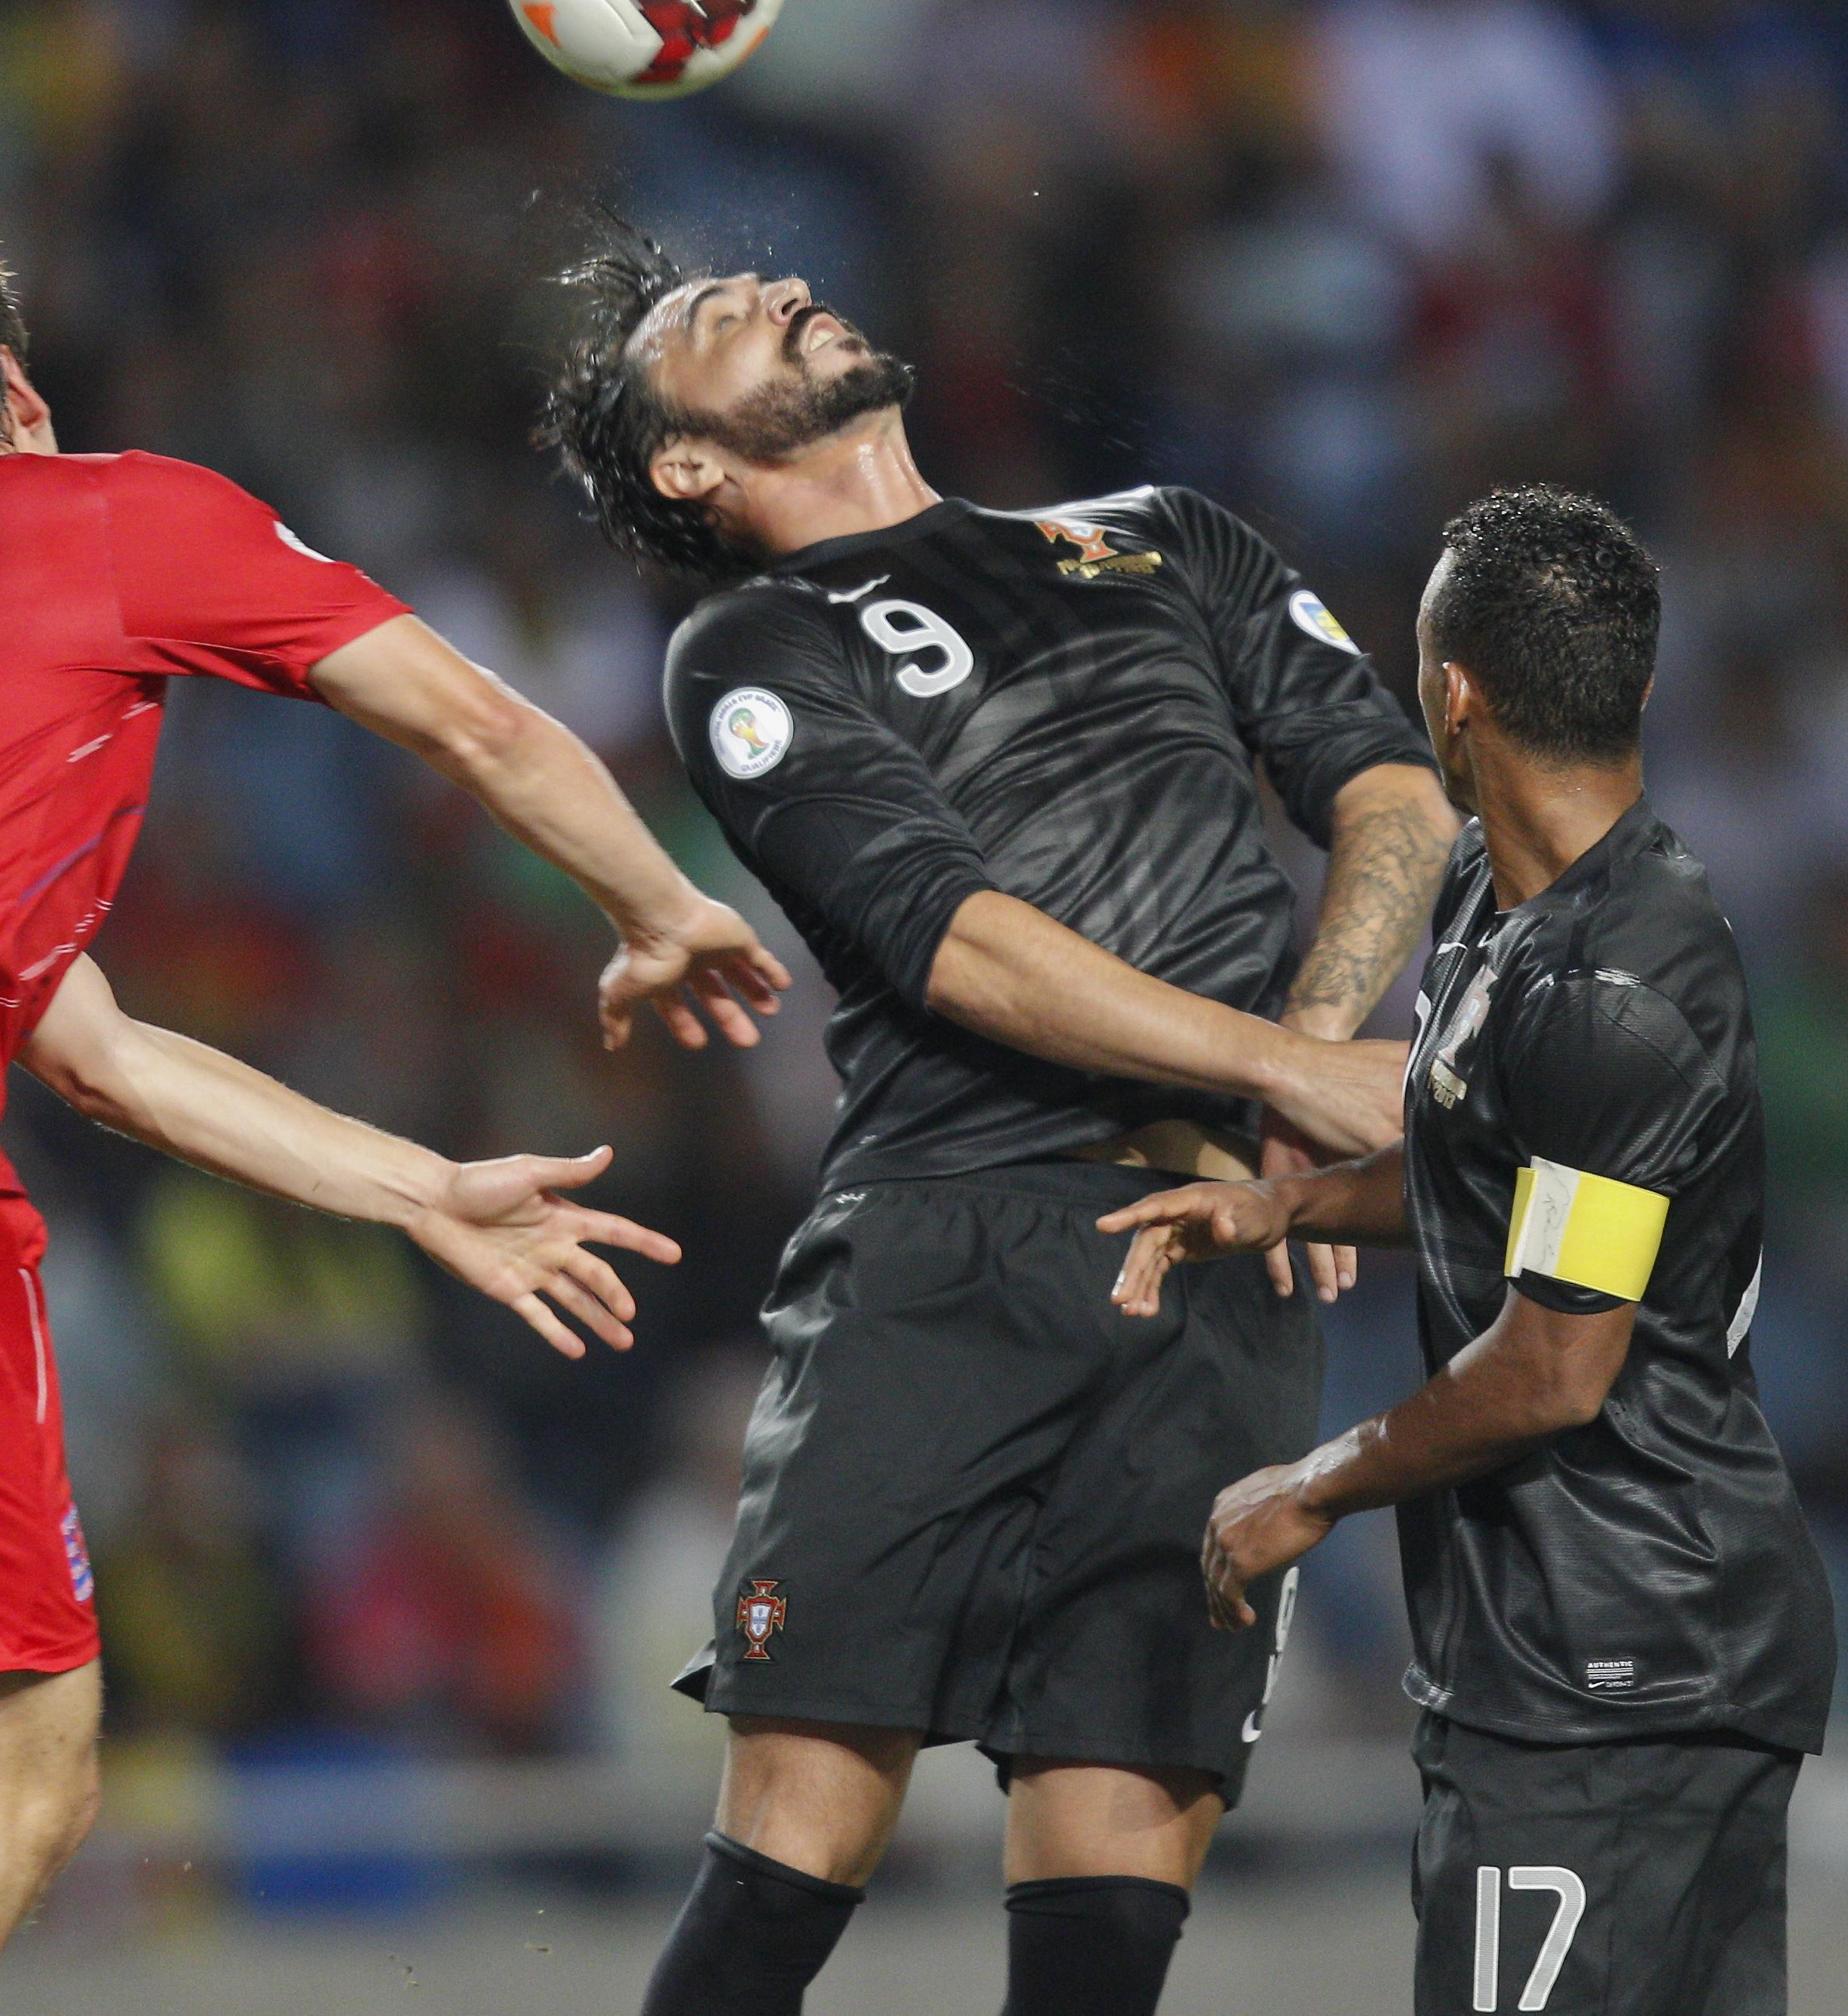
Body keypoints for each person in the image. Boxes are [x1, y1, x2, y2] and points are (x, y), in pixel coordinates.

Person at [0, 221, 788, 2016]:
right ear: (19, 400)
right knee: (7, 1777)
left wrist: (418, 1185)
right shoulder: (106, 512)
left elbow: (102, 1053)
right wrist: (653, 904)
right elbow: (474, 724)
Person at [539, 231, 1460, 2016]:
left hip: (1213, 1276)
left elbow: (1390, 789)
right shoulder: (750, 647)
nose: (777, 292)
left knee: (1111, 1896)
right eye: (716, 322)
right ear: (689, 463)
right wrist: (1277, 1071)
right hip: (943, 1243)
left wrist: (1313, 1040)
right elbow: (950, 941)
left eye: (769, 285)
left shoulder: (1163, 534)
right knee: (794, 1840)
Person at [1099, 485, 1835, 2016]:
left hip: (1618, 1673)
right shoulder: (1496, 904)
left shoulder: (1619, 984)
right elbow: (1502, 1174)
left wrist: (1311, 1484)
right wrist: (1292, 1202)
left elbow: (1558, 1362)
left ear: (1451, 695)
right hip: (1590, 1657)